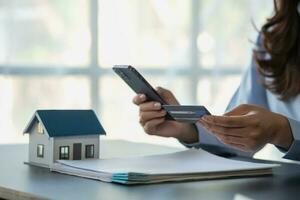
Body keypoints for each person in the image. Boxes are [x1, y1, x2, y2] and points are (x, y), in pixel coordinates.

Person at [132, 0, 300, 161]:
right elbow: (239, 135)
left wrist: (282, 131)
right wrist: (188, 129)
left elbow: (273, 129)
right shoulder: (273, 41)